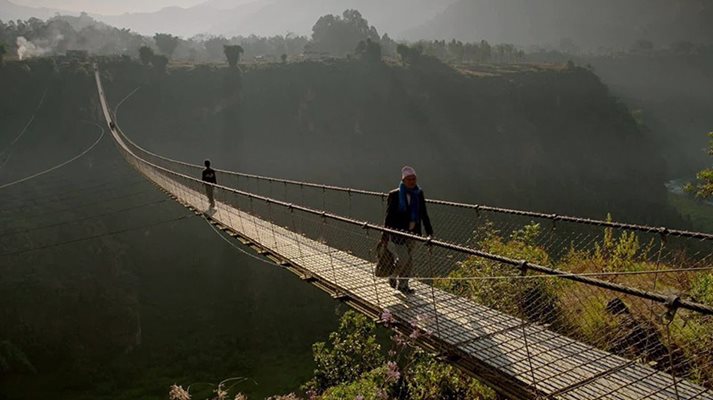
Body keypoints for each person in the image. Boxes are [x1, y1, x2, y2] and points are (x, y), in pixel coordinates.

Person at [381, 166, 433, 294]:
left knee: (408, 259)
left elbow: (423, 214)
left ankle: (403, 285)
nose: (412, 181)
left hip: (413, 232)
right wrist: (385, 234)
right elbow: (389, 216)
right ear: (403, 180)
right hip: (398, 232)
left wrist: (430, 233)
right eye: (409, 179)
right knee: (404, 258)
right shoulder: (394, 194)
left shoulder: (419, 193)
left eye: (414, 179)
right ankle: (393, 275)